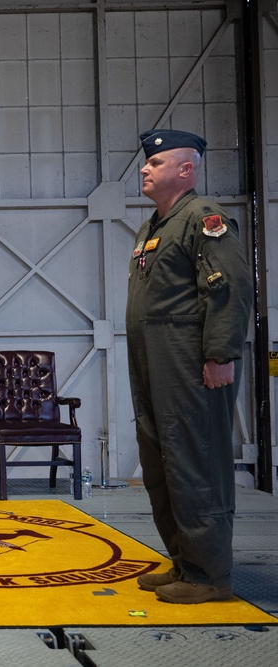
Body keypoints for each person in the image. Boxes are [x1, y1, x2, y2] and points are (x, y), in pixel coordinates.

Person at [127, 129, 253, 605]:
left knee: (196, 461)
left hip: (189, 363)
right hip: (153, 363)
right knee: (161, 462)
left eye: (156, 162)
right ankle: (184, 559)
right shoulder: (154, 227)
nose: (145, 168)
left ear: (186, 169)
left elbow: (229, 289)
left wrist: (220, 355)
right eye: (146, 163)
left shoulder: (205, 219)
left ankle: (209, 575)